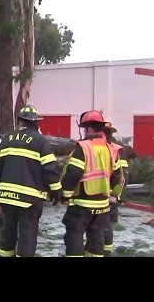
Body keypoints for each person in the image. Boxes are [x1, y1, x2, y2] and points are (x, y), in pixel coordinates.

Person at [0, 105, 61, 257]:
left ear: (20, 120)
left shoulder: (7, 138)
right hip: (29, 200)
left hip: (7, 197)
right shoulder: (41, 141)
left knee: (8, 234)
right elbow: (50, 169)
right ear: (36, 123)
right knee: (27, 237)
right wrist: (56, 191)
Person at [60, 110, 122, 257]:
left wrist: (65, 195)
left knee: (74, 235)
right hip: (102, 205)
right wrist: (112, 195)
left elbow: (73, 173)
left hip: (82, 202)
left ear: (88, 128)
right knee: (96, 239)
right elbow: (117, 176)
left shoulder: (83, 147)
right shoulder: (111, 148)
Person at [103, 122, 129, 257]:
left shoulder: (117, 149)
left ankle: (105, 253)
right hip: (105, 196)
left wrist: (114, 194)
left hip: (103, 196)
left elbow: (123, 175)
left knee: (104, 228)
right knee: (105, 228)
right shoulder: (117, 149)